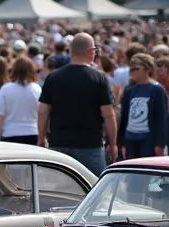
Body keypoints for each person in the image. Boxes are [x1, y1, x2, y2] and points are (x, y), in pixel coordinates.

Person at [37, 33, 116, 176]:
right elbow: (108, 115)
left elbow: (43, 112)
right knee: (94, 190)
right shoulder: (99, 79)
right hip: (90, 144)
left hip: (59, 144)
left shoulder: (53, 77)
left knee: (60, 192)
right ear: (89, 52)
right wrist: (113, 143)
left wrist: (41, 139)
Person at [117, 53, 169, 159]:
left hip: (148, 140)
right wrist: (121, 142)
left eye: (136, 69)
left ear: (147, 69)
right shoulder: (129, 90)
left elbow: (162, 118)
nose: (132, 72)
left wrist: (160, 144)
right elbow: (124, 117)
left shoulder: (157, 89)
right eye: (131, 69)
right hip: (130, 138)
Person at [0, 56, 41, 144]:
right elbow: (41, 114)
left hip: (10, 134)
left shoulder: (6, 89)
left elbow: (0, 117)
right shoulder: (37, 89)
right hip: (32, 133)